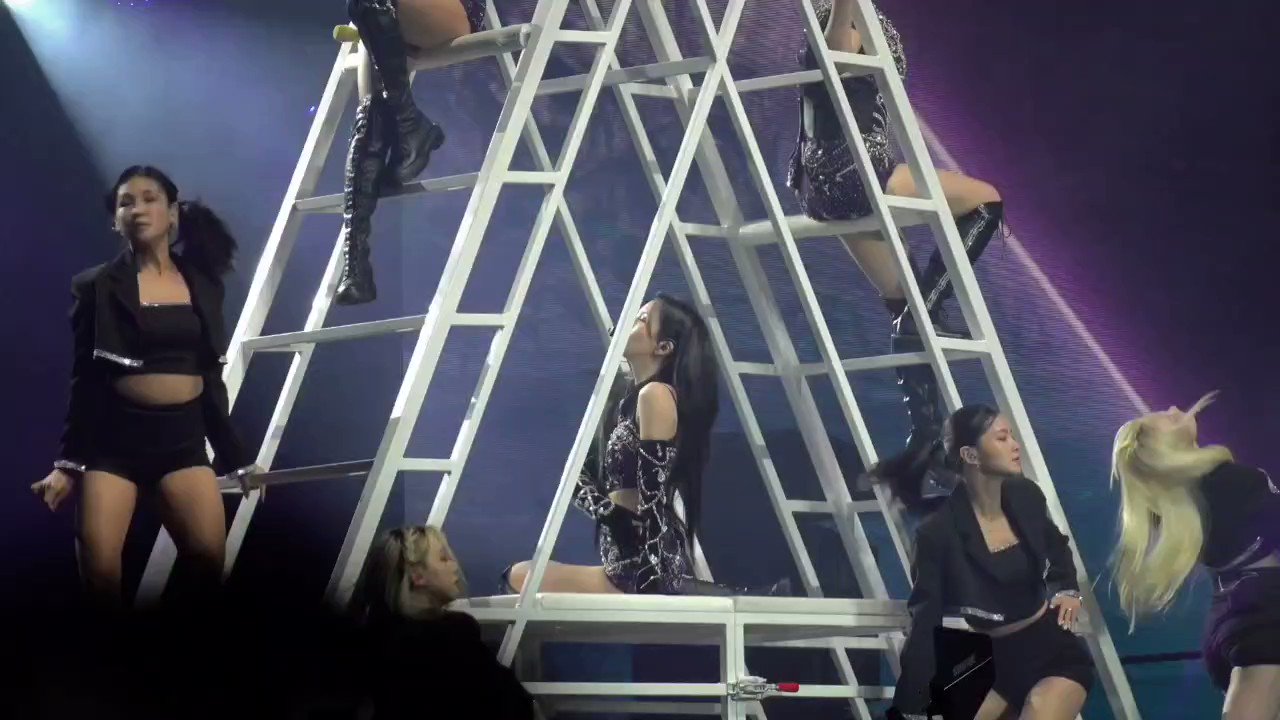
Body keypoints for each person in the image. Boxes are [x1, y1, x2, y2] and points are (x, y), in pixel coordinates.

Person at [30, 166, 257, 606]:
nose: (137, 209)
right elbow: (85, 380)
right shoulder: (95, 285)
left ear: (172, 214)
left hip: (182, 442)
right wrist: (67, 464)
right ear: (115, 221)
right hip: (114, 446)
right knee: (100, 573)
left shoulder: (203, 283)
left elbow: (210, 376)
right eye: (125, 203)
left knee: (208, 562)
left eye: (150, 199)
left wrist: (236, 456)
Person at [789, 0, 1004, 451]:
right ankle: (926, 313)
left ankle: (925, 436)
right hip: (853, 166)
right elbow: (835, 54)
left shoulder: (843, 11)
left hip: (821, 182)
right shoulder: (836, 10)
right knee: (986, 199)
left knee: (903, 298)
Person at [503, 294, 780, 596]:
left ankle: (710, 592)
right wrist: (610, 514)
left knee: (520, 579)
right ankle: (724, 593)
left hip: (642, 561)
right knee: (517, 576)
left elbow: (653, 495)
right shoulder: (622, 401)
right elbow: (575, 478)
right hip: (619, 558)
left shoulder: (655, 395)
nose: (625, 324)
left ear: (663, 347)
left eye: (640, 320)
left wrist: (648, 564)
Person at [871, 405, 1092, 720]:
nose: (1015, 445)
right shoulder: (937, 535)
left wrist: (1066, 588)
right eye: (1002, 438)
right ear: (970, 455)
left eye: (1012, 436)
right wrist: (911, 705)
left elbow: (1056, 546)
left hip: (1053, 650)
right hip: (994, 662)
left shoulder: (1026, 495)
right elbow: (925, 624)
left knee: (1039, 708)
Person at [1110, 392, 1280, 720]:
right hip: (1265, 614)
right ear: (1161, 448)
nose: (1175, 408)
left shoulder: (1186, 501)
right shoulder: (1227, 481)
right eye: (1167, 416)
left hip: (1233, 616)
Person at [335, 0, 487, 305]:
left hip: (451, 11)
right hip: (384, 14)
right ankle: (355, 266)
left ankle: (410, 125)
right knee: (370, 113)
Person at [356, 524, 536, 719]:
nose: (455, 566)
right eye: (443, 558)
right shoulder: (452, 637)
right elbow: (513, 705)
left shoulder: (370, 639)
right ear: (417, 576)